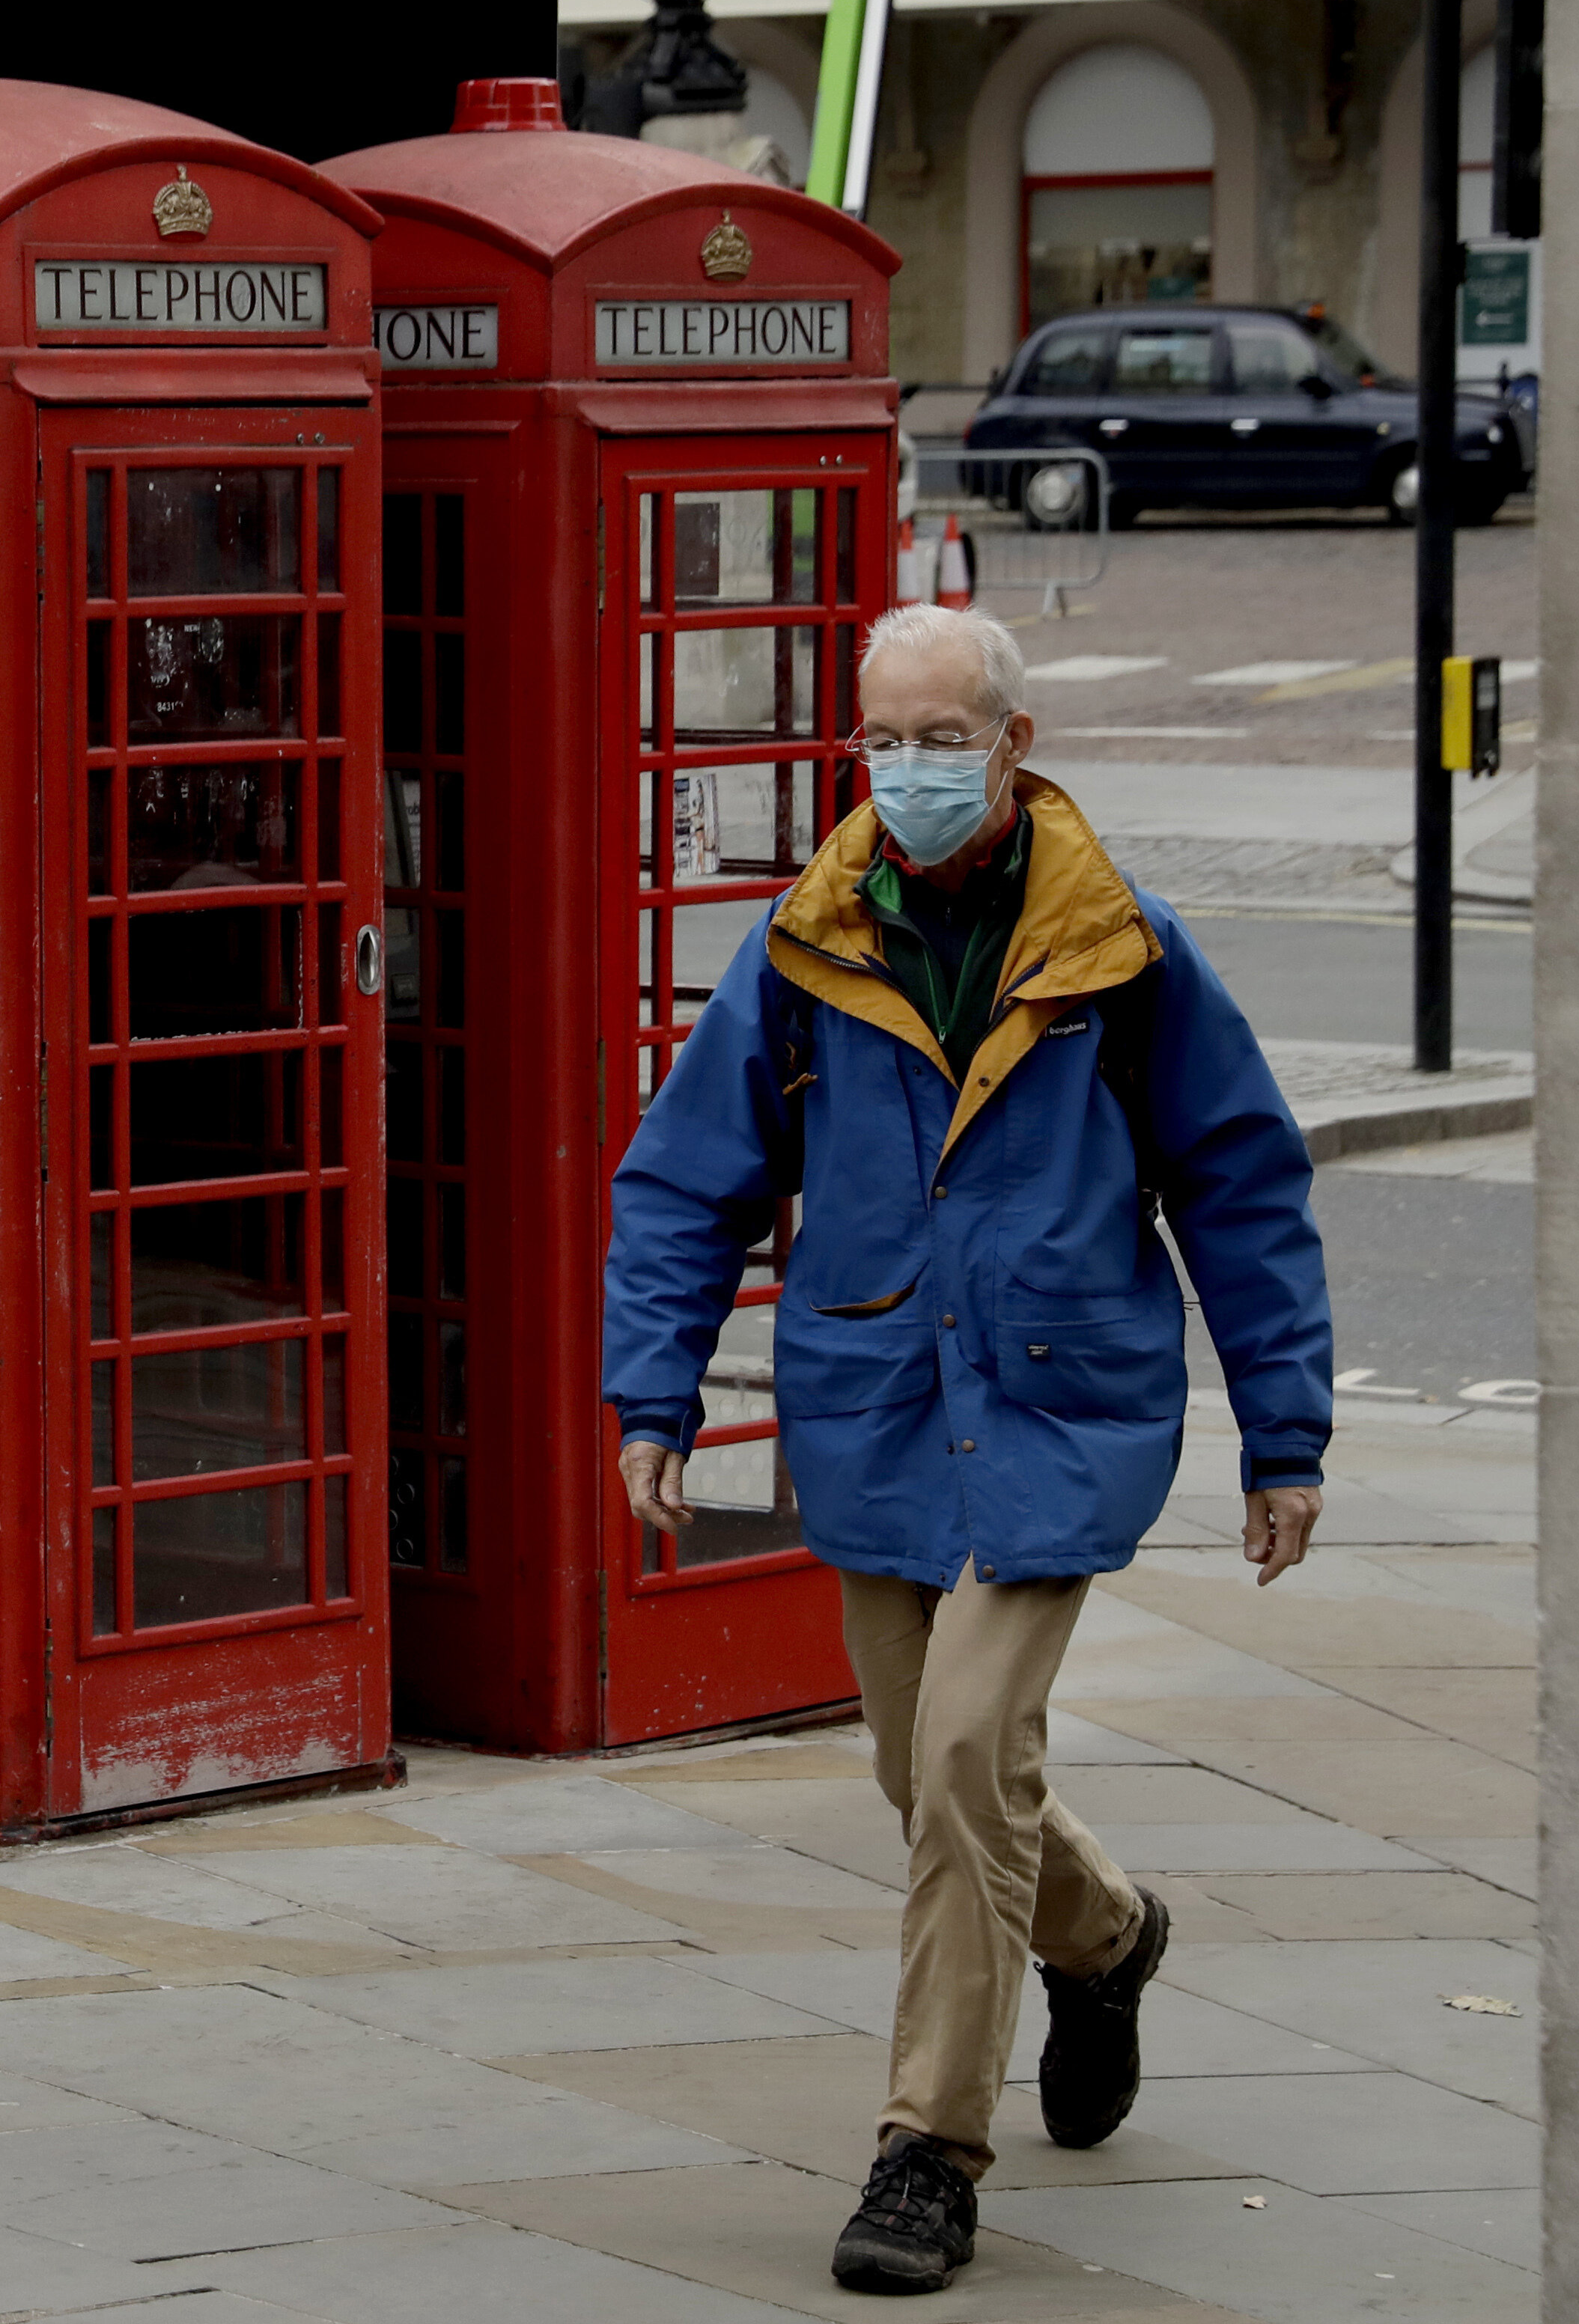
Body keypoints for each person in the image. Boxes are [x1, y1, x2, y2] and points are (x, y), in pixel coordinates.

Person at [602, 602, 1333, 2296]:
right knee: (920, 1767)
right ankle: (1110, 1933)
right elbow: (684, 1180)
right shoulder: (808, 944)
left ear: (1015, 739)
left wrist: (1281, 1435)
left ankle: (927, 2151)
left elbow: (1243, 1183)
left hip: (1063, 1404)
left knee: (962, 1756)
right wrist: (656, 1394)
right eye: (882, 738)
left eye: (943, 737)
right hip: (877, 1398)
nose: (908, 768)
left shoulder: (1122, 946)